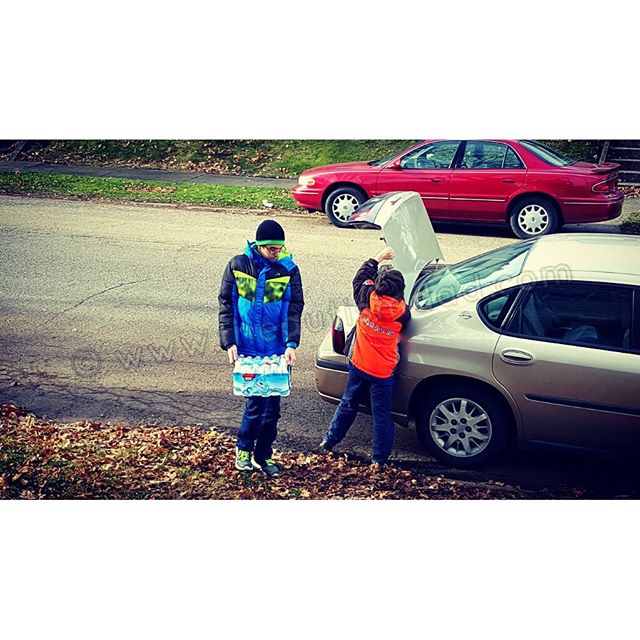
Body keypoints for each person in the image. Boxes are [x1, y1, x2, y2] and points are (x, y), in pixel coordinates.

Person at [218, 219, 304, 477]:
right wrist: (229, 341)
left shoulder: (288, 270)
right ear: (259, 245)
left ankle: (263, 456)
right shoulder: (237, 265)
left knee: (273, 409)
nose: (276, 252)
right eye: (271, 249)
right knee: (254, 405)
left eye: (279, 248)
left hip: (276, 351)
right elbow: (226, 305)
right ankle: (243, 450)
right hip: (247, 350)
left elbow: (293, 308)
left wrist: (291, 344)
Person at [319, 247, 409, 466]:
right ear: (400, 292)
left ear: (378, 287)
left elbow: (360, 278)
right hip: (383, 372)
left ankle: (329, 442)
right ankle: (378, 460)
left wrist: (377, 259)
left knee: (347, 404)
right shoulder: (403, 313)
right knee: (382, 416)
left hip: (359, 365)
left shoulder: (367, 299)